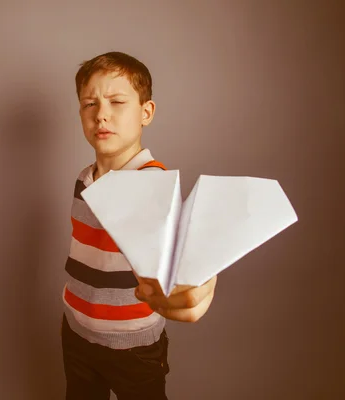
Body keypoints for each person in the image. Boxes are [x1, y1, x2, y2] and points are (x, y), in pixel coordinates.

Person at [61, 51, 218, 400]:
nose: (101, 113)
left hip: (131, 344)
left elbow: (183, 257)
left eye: (117, 102)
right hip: (75, 330)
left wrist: (201, 278)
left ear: (145, 112)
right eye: (90, 103)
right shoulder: (84, 179)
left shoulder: (153, 184)